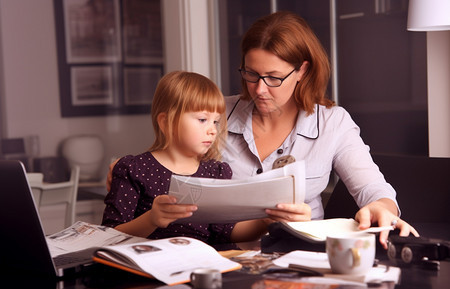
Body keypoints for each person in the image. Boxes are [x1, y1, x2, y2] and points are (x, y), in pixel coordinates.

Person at [107, 11, 418, 249]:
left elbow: (375, 192)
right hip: (224, 259)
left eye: (273, 77)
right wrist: (125, 168)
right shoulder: (217, 114)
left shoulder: (332, 122)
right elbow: (166, 155)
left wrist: (380, 209)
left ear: (303, 71)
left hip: (300, 256)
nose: (259, 89)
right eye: (251, 74)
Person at [102, 71, 272, 249]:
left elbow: (225, 233)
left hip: (202, 266)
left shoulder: (216, 172)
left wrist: (265, 221)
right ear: (166, 122)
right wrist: (152, 219)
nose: (213, 130)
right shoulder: (134, 169)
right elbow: (110, 235)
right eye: (202, 119)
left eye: (215, 122)